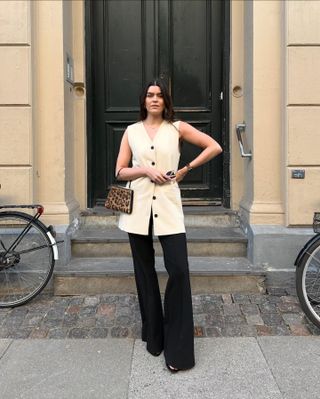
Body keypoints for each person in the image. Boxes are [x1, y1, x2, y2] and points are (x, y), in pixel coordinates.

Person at [115, 79, 222, 372]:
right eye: (150, 95)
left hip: (169, 208)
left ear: (165, 101)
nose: (154, 99)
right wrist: (145, 169)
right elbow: (120, 170)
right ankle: (154, 337)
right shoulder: (131, 132)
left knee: (178, 270)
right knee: (144, 273)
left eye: (160, 95)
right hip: (137, 209)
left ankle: (178, 351)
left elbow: (214, 146)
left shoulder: (178, 128)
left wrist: (186, 169)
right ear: (143, 100)